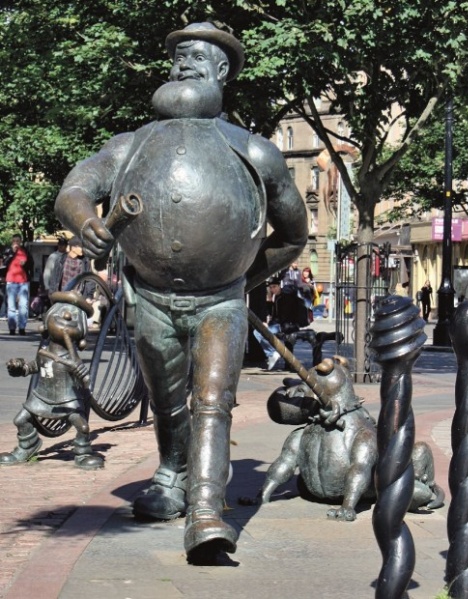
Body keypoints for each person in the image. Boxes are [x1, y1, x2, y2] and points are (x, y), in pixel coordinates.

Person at [54, 22, 307, 562]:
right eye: (177, 57)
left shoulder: (255, 152)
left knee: (214, 401)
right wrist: (85, 222)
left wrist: (243, 278)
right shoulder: (131, 144)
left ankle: (206, 510)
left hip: (220, 300)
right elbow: (75, 189)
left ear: (221, 71)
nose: (183, 64)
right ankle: (171, 475)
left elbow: (293, 234)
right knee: (169, 402)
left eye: (196, 56)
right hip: (149, 299)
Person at [3, 234, 34, 335]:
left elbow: (31, 264)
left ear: (20, 242)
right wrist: (12, 253)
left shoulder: (25, 251)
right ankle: (12, 328)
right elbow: (4, 264)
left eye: (18, 241)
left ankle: (22, 327)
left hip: (23, 281)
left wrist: (25, 264)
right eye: (14, 241)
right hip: (11, 281)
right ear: (12, 241)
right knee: (11, 306)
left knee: (23, 306)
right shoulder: (8, 251)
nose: (16, 243)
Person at [253, 277, 284, 371]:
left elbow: (283, 316)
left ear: (279, 286)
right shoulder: (275, 298)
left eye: (274, 287)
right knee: (257, 332)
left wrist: (270, 324)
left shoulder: (283, 298)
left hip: (282, 325)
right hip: (277, 324)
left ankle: (272, 353)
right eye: (271, 287)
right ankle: (272, 354)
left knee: (258, 333)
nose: (272, 289)